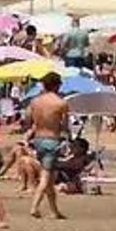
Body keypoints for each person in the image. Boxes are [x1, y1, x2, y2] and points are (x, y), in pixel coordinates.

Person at [25, 72, 68, 220]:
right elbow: (65, 126)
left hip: (38, 139)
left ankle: (54, 211)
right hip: (52, 139)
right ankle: (34, 207)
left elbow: (28, 119)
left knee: (49, 179)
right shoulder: (60, 103)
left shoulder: (35, 101)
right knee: (45, 176)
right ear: (56, 85)